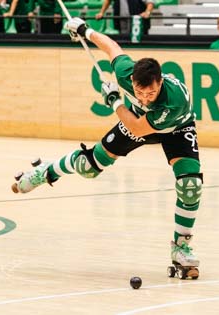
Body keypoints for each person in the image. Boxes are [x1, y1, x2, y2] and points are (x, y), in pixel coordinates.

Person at [12, 17, 203, 279]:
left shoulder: (173, 102)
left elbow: (137, 128)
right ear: (132, 80)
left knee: (190, 185)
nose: (145, 97)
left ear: (160, 82)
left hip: (175, 129)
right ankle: (47, 171)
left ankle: (181, 246)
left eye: (150, 93)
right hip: (137, 119)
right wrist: (84, 30)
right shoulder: (127, 73)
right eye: (139, 91)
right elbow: (112, 48)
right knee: (89, 168)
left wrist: (114, 101)